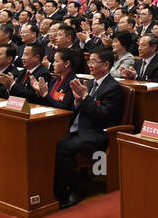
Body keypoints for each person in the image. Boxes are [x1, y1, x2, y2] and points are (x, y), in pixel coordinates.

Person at [53, 48, 126, 209]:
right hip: (81, 128)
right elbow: (80, 109)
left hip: (98, 133)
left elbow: (102, 115)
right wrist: (78, 101)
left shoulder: (112, 88)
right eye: (89, 61)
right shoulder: (91, 82)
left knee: (64, 147)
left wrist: (85, 97)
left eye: (94, 61)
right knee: (53, 140)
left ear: (106, 65)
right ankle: (57, 189)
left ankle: (72, 191)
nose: (89, 65)